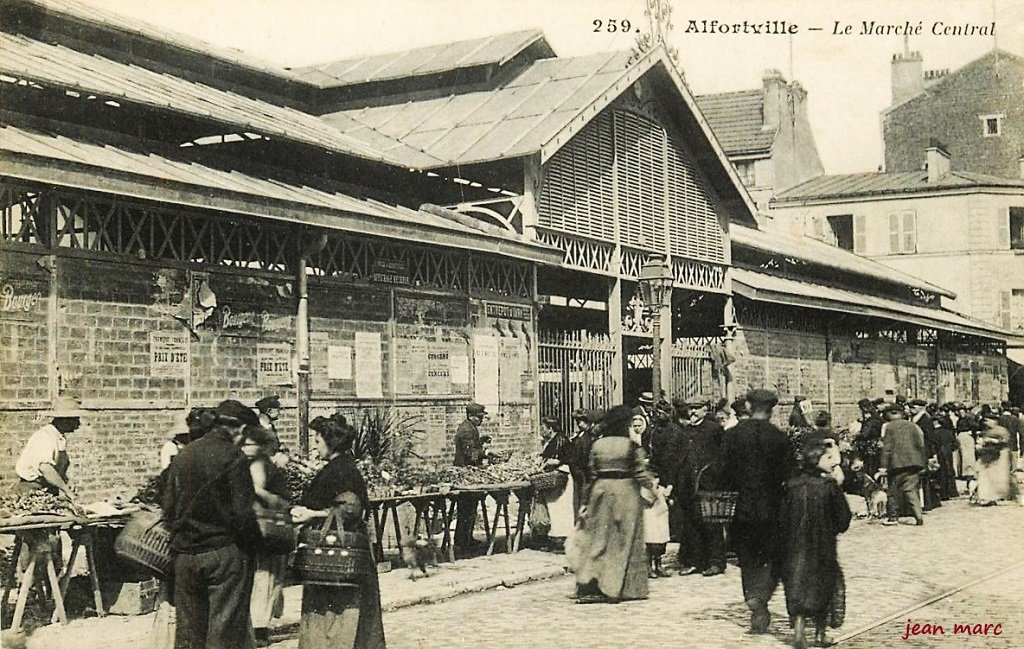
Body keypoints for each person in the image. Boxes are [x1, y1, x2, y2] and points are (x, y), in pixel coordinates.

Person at [164, 399, 261, 649]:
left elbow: (168, 509)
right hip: (223, 554)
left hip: (185, 556)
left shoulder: (184, 454)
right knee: (223, 631)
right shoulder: (233, 457)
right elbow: (243, 515)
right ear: (239, 429)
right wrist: (257, 545)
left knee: (189, 633)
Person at [291, 416, 386, 649]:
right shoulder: (340, 465)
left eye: (317, 439)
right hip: (334, 554)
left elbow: (351, 509)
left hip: (337, 556)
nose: (315, 444)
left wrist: (310, 514)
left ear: (330, 443)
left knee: (338, 616)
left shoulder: (341, 469)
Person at [722, 389, 793, 634]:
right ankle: (764, 594)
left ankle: (754, 599)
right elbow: (788, 475)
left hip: (742, 508)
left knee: (748, 556)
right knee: (772, 555)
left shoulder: (732, 436)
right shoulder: (780, 438)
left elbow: (722, 471)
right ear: (771, 409)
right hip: (773, 507)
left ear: (750, 406)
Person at [572, 405, 653, 604]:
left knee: (598, 539)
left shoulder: (597, 445)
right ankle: (620, 588)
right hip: (626, 494)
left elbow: (591, 474)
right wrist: (652, 489)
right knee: (624, 541)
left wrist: (585, 501)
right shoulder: (631, 446)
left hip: (600, 492)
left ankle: (591, 585)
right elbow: (640, 472)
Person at [780, 436, 852, 649]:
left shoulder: (790, 485)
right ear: (816, 460)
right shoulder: (828, 486)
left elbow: (781, 517)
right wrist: (835, 528)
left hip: (794, 545)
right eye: (827, 457)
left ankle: (799, 631)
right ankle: (820, 634)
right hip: (822, 544)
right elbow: (843, 518)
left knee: (797, 583)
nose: (832, 462)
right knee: (824, 584)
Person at [241, 425, 291, 647]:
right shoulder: (257, 465)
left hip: (266, 528)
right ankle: (258, 626)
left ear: (259, 446)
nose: (244, 447)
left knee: (264, 577)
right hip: (263, 528)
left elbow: (264, 495)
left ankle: (259, 628)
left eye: (248, 444)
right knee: (265, 577)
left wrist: (256, 492)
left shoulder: (259, 465)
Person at [675, 396, 727, 577]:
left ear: (705, 410)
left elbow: (723, 455)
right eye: (691, 409)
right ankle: (695, 561)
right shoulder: (685, 431)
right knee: (692, 522)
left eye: (697, 408)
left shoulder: (713, 429)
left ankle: (716, 562)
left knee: (711, 522)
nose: (694, 412)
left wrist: (716, 475)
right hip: (689, 483)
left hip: (709, 482)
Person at [15, 396, 86, 509]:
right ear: (65, 420)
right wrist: (66, 490)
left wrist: (66, 481)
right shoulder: (45, 436)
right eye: (76, 419)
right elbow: (45, 468)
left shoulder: (58, 437)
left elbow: (55, 467)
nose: (78, 424)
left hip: (48, 490)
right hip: (33, 491)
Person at [878, 403, 927, 526]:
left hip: (897, 464)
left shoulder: (890, 427)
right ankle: (918, 515)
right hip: (915, 463)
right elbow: (921, 444)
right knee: (911, 490)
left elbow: (887, 448)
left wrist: (883, 466)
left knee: (893, 491)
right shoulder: (913, 426)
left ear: (891, 414)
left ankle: (893, 517)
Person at [453, 403, 489, 555]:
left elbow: (472, 447)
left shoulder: (469, 427)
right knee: (466, 508)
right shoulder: (467, 430)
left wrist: (481, 441)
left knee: (470, 508)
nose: (481, 420)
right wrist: (484, 452)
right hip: (466, 473)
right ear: (472, 416)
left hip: (468, 472)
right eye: (480, 417)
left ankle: (466, 538)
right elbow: (470, 454)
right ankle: (463, 542)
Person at [538, 416, 574, 551]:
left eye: (543, 428)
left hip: (560, 477)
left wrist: (553, 462)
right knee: (555, 509)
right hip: (556, 476)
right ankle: (556, 538)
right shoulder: (554, 439)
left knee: (560, 509)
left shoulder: (560, 440)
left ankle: (560, 541)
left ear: (550, 428)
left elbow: (560, 459)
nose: (541, 430)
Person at [974, 412, 1016, 505]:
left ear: (994, 421)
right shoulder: (987, 430)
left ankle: (1001, 495)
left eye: (988, 421)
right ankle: (990, 495)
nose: (986, 423)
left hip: (1001, 454)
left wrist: (992, 440)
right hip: (989, 455)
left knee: (1000, 476)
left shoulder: (1001, 430)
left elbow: (1006, 441)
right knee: (989, 476)